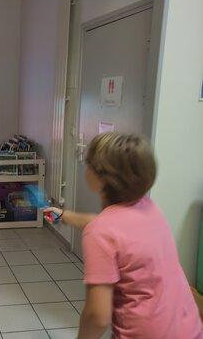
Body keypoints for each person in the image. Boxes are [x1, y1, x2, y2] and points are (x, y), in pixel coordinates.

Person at [45, 132, 202, 339]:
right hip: (187, 327)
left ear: (101, 177)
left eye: (88, 163)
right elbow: (117, 231)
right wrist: (65, 216)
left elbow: (98, 316)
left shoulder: (101, 233)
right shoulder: (149, 207)